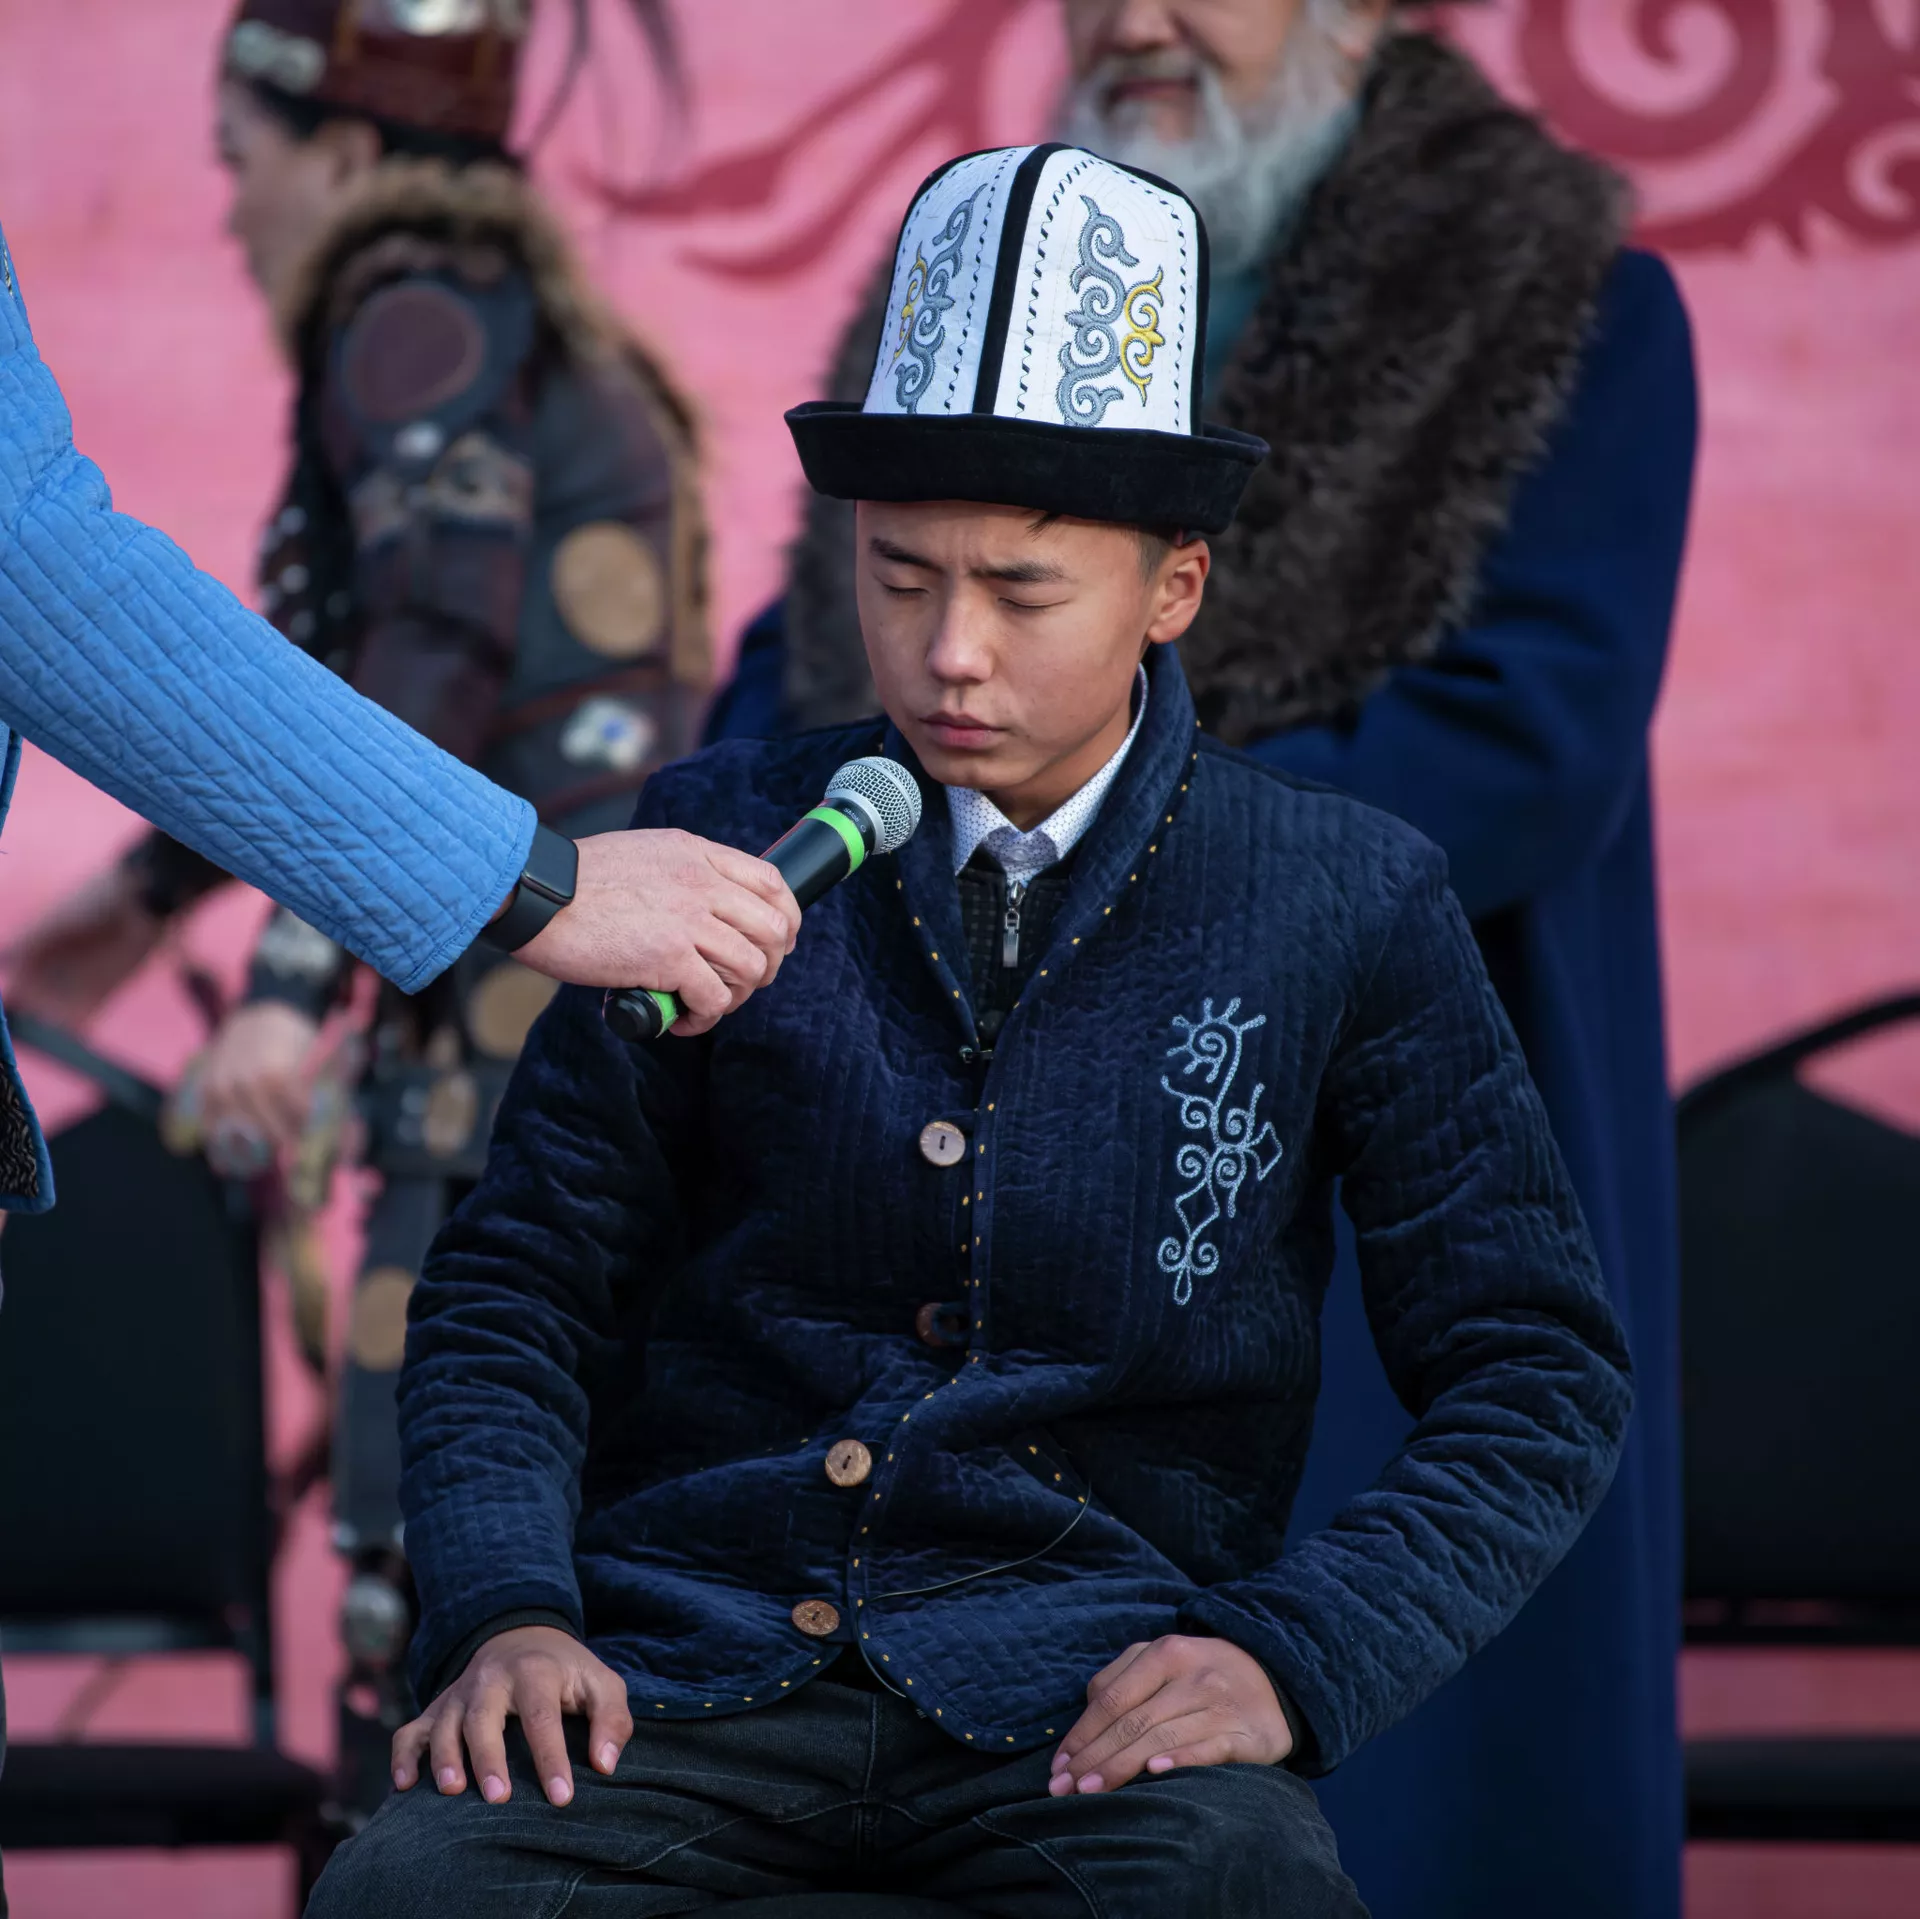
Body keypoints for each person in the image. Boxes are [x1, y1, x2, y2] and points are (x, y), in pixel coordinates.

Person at [304, 146, 1632, 1918]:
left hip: (1090, 1704)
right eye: (900, 574)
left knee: (1238, 1888)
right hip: (681, 1672)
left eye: (1021, 590)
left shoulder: (1345, 897)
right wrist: (508, 1612)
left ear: (1174, 585)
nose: (948, 653)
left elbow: (1539, 1371)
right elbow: (511, 1288)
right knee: (410, 1889)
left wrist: (1297, 1653)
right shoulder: (714, 836)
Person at [710, 4, 1699, 1911]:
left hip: (1358, 1103)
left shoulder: (1564, 296)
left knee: (1367, 1764)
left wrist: (1113, 869)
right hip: (933, 1135)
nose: (1135, 20)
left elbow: (1529, 740)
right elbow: (793, 682)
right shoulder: (961, 288)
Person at [1, 0, 790, 1828]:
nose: (232, 210)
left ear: (346, 153)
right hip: (563, 1051)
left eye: (242, 163)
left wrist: (289, 985)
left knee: (443, 1603)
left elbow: (425, 645)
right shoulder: (511, 326)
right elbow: (367, 647)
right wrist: (145, 900)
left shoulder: (403, 313)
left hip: (493, 1075)